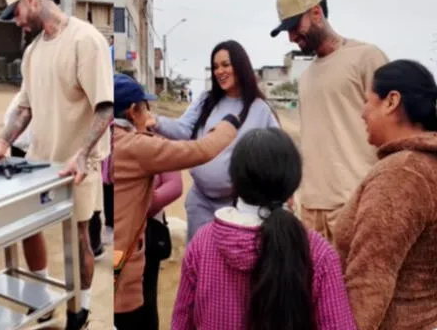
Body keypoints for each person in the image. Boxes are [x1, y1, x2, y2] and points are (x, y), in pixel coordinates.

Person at [0, 0, 113, 328]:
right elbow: (25, 107)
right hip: (39, 162)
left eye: (16, 13)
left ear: (31, 0)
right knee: (30, 228)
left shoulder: (85, 39)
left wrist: (82, 153)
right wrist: (4, 140)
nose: (17, 22)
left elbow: (104, 108)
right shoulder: (32, 52)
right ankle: (42, 300)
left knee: (78, 240)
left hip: (78, 163)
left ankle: (82, 309)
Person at [172, 128, 357, 330]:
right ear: (293, 181)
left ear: (235, 180)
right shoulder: (318, 253)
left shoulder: (203, 243)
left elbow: (181, 322)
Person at [113, 73, 241, 328]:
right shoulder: (135, 146)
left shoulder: (98, 140)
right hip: (124, 266)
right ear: (131, 111)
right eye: (144, 108)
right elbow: (202, 150)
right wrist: (230, 122)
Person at [270, 0, 389, 242]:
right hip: (311, 209)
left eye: (294, 26)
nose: (291, 37)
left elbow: (395, 129)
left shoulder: (366, 57)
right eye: (286, 30)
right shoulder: (306, 77)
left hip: (356, 203)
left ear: (316, 13)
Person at [334, 60, 437, 330]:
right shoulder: (425, 164)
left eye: (368, 101)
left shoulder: (402, 174)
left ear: (391, 101)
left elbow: (370, 280)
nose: (362, 113)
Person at [147, 40, 280, 242]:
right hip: (200, 202)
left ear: (240, 65)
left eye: (226, 65)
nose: (220, 71)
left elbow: (278, 153)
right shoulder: (205, 100)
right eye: (216, 66)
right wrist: (155, 122)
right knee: (199, 259)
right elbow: (182, 129)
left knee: (228, 264)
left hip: (238, 206)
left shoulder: (260, 109)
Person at [143, 171, 182, 330]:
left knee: (147, 294)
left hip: (149, 230)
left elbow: (175, 185)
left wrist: (140, 200)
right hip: (121, 233)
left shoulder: (157, 146)